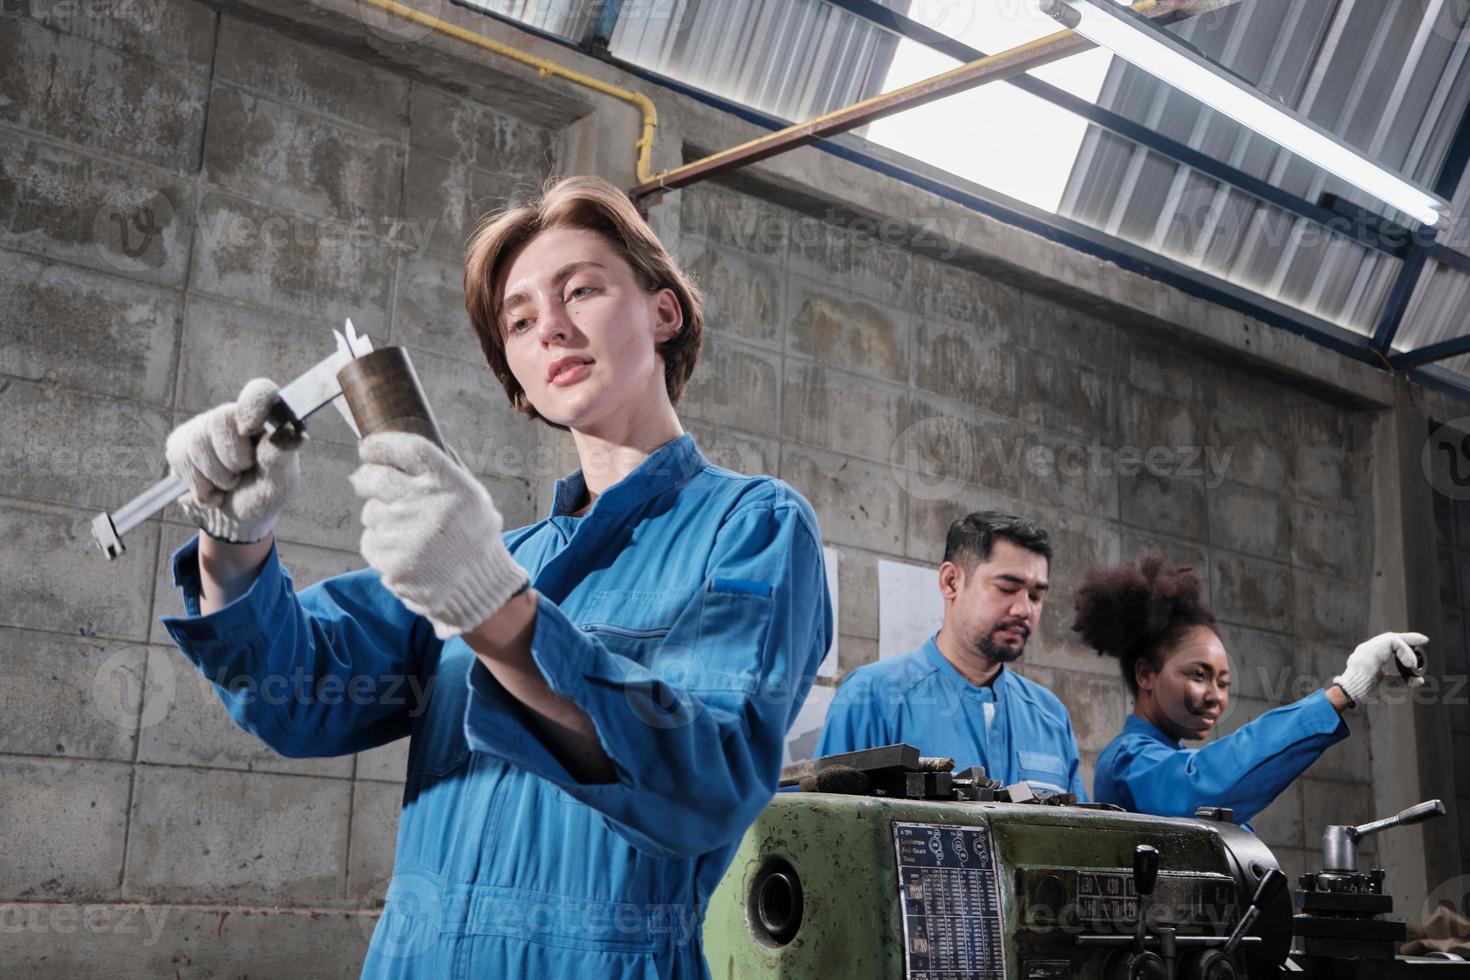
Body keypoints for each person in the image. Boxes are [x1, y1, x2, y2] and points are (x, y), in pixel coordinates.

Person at [158, 176, 833, 979]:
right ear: (514, 369)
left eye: (581, 289)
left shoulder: (751, 527)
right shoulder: (491, 554)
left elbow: (707, 782)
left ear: (663, 311)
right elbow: (300, 698)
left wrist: (494, 611)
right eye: (518, 320)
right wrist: (234, 544)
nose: (550, 327)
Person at [1076, 552, 1427, 824]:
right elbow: (1206, 783)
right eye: (1199, 675)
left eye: (1224, 682)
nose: (1216, 696)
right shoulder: (1128, 760)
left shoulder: (1161, 755)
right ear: (1146, 675)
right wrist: (1342, 692)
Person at [815, 511, 1087, 798]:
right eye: (1007, 588)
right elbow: (823, 827)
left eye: (1035, 596)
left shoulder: (1051, 716)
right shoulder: (872, 696)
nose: (1024, 609)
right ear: (951, 582)